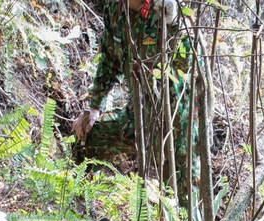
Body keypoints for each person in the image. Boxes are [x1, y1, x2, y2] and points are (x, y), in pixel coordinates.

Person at [73, 0, 190, 184]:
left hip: (175, 124)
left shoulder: (166, 8)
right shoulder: (115, 7)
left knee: (180, 198)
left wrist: (176, 24)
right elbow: (110, 60)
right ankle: (79, 203)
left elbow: (188, 65)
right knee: (88, 137)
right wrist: (95, 105)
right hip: (136, 116)